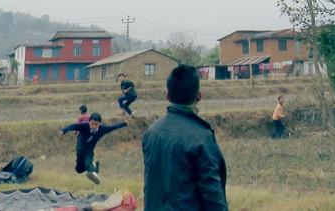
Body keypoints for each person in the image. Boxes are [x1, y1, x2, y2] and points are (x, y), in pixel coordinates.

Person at [141, 64, 228, 210]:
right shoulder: (202, 137)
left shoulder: (151, 132)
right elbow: (212, 195)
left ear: (168, 96)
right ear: (199, 95)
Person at [60, 111, 128, 185]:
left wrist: (124, 124)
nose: (94, 126)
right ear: (89, 122)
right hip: (80, 150)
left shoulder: (102, 129)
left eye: (96, 124)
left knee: (88, 163)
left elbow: (113, 127)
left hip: (89, 151)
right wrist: (64, 130)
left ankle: (94, 174)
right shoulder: (84, 126)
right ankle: (94, 164)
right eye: (92, 124)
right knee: (79, 170)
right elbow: (74, 126)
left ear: (100, 124)